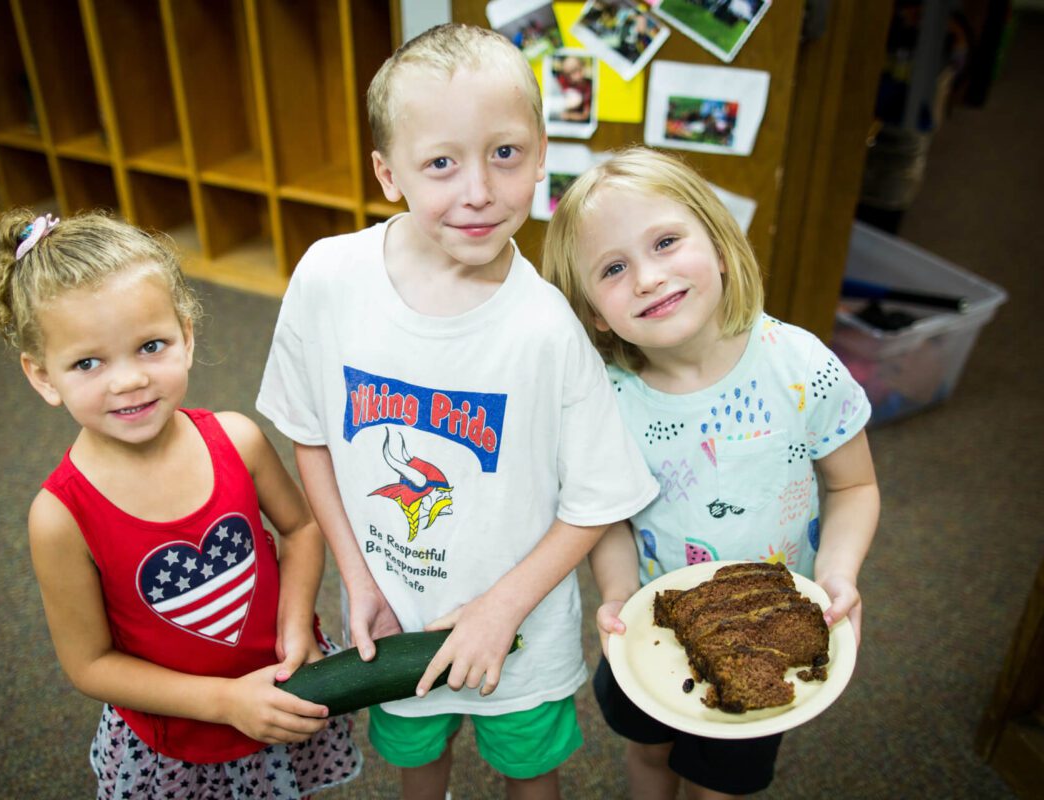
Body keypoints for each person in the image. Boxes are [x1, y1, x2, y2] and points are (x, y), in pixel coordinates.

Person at [256, 23, 658, 800]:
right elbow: (310, 439)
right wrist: (356, 574)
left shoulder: (548, 328)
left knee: (529, 770)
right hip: (394, 616)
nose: (478, 190)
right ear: (388, 172)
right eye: (441, 163)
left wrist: (498, 610)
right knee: (415, 764)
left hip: (524, 631)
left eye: (505, 154)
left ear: (542, 155)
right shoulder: (328, 279)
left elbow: (597, 500)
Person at [0, 209, 360, 799]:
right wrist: (227, 701)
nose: (128, 380)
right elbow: (90, 664)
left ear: (186, 335)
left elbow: (302, 528)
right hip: (179, 742)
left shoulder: (238, 439)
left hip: (283, 693)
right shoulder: (59, 518)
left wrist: (295, 626)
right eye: (88, 363)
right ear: (43, 376)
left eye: (150, 346)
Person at [541, 147, 880, 799]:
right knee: (648, 759)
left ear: (720, 245)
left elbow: (854, 485)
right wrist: (614, 595)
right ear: (593, 313)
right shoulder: (603, 402)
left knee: (717, 786)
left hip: (764, 632)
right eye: (614, 268)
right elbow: (607, 517)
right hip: (652, 634)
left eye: (666, 241)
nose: (648, 276)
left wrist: (840, 574)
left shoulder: (800, 365)